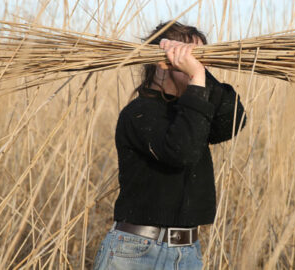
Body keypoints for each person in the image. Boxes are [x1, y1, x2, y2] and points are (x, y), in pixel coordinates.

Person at [93, 21, 246, 270]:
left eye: (199, 59)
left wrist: (201, 75)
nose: (198, 66)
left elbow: (234, 120)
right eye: (191, 58)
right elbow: (181, 151)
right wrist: (195, 78)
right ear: (163, 63)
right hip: (136, 251)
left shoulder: (190, 112)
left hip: (186, 253)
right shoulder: (139, 113)